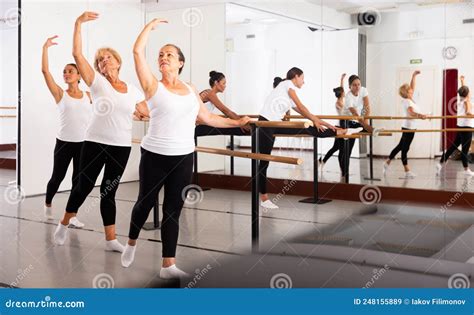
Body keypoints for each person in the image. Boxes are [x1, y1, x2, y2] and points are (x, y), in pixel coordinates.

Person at [120, 18, 250, 279]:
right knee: (144, 204)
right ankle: (131, 243)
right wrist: (149, 26)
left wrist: (237, 122)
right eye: (160, 55)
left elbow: (208, 118)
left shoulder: (191, 89)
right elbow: (136, 52)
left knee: (173, 210)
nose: (163, 57)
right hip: (155, 155)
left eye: (169, 54)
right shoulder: (152, 86)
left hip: (183, 156)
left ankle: (168, 265)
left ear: (180, 62)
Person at [53, 12, 146, 253]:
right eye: (100, 60)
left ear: (117, 61)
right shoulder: (97, 82)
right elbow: (77, 54)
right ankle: (63, 223)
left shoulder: (133, 90)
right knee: (83, 186)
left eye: (107, 58)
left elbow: (146, 111)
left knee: (109, 191)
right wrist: (78, 24)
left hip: (121, 146)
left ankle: (110, 240)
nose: (104, 61)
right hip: (94, 142)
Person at [258, 67, 362, 209]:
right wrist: (317, 121)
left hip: (275, 124)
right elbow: (301, 106)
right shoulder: (287, 84)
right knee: (264, 162)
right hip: (265, 123)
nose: (304, 81)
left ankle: (342, 132)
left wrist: (323, 122)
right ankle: (264, 198)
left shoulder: (288, 93)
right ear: (295, 76)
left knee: (307, 128)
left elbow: (303, 111)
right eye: (302, 78)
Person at [41, 35, 92, 228]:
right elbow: (45, 71)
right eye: (64, 72)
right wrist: (45, 48)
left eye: (71, 71)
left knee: (77, 181)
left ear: (79, 75)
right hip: (63, 143)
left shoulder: (89, 96)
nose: (66, 74)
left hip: (83, 144)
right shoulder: (60, 94)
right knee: (57, 177)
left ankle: (71, 216)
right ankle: (48, 203)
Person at [383, 71, 426, 178]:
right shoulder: (407, 101)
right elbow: (411, 113)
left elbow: (412, 86)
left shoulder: (410, 99)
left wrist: (413, 76)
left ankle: (387, 162)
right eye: (410, 91)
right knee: (405, 148)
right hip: (408, 127)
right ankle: (407, 171)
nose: (412, 91)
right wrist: (421, 115)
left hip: (410, 127)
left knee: (400, 146)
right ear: (406, 93)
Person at [437, 75, 474, 176]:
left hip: (460, 126)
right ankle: (466, 170)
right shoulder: (466, 102)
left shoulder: (461, 100)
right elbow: (468, 113)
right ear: (467, 93)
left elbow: (464, 92)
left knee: (453, 146)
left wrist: (462, 81)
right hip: (466, 128)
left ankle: (440, 163)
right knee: (465, 150)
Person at [338, 74, 373, 179]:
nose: (357, 87)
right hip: (346, 121)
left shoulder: (363, 90)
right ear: (349, 87)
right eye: (354, 85)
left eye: (358, 84)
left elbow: (367, 107)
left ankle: (345, 172)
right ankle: (345, 173)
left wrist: (367, 124)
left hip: (355, 121)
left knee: (349, 148)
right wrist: (366, 126)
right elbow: (356, 114)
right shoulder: (348, 97)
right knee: (345, 149)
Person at [195, 70, 249, 136]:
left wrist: (239, 121)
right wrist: (241, 123)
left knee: (231, 124)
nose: (225, 86)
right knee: (233, 127)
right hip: (195, 127)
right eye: (223, 83)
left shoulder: (209, 93)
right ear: (216, 83)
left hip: (199, 124)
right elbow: (226, 111)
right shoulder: (210, 93)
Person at [319, 73, 347, 171]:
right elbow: (345, 112)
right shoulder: (338, 102)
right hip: (339, 127)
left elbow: (341, 88)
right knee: (340, 149)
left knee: (336, 148)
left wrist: (342, 79)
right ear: (341, 94)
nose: (345, 92)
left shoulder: (342, 99)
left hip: (341, 126)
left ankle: (323, 161)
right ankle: (343, 171)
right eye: (343, 92)